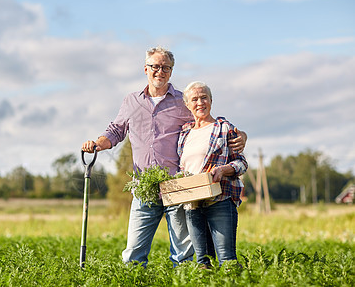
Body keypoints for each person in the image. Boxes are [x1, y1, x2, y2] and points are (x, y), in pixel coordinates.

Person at [81, 47, 247, 267]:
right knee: (133, 253)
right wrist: (96, 144)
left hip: (177, 187)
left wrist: (241, 135)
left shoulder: (182, 101)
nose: (160, 71)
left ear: (171, 71)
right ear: (146, 69)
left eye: (166, 67)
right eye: (155, 67)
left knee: (183, 253)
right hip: (144, 187)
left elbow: (207, 122)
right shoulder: (132, 101)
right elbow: (116, 130)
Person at [178, 81, 248, 268]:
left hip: (220, 200)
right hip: (193, 204)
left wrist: (222, 170)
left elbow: (242, 163)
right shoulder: (184, 133)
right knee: (203, 262)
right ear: (187, 104)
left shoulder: (224, 128)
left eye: (204, 98)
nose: (200, 102)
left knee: (227, 260)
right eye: (194, 99)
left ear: (211, 101)